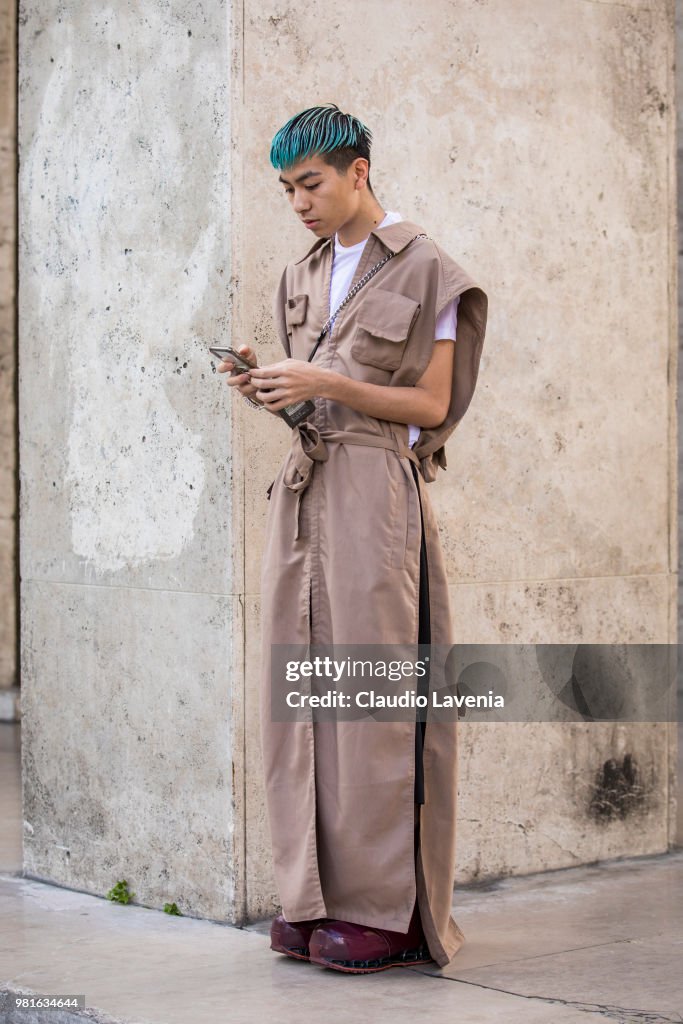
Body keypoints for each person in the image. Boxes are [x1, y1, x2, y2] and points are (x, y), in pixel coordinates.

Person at [217, 102, 488, 974]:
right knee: (301, 698)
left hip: (374, 493)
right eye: (286, 189)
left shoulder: (427, 272)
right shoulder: (300, 275)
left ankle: (388, 911)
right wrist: (271, 388)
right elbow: (319, 397)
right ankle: (312, 896)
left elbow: (431, 407)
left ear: (358, 172)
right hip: (303, 489)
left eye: (311, 184)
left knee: (373, 702)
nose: (297, 203)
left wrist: (326, 380)